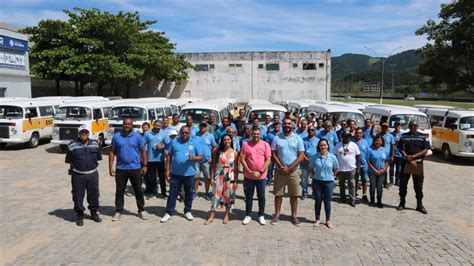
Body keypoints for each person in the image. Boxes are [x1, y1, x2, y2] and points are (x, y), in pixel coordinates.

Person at [161, 126, 204, 223]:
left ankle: (187, 211)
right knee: (172, 194)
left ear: (190, 133)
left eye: (186, 133)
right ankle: (169, 212)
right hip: (176, 173)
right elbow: (169, 156)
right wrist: (167, 170)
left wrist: (193, 158)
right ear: (180, 132)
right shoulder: (174, 142)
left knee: (189, 194)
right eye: (183, 132)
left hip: (189, 174)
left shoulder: (194, 143)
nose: (184, 134)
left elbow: (201, 156)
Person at [109, 117, 148, 221]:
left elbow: (143, 151)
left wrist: (145, 165)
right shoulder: (116, 137)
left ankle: (141, 210)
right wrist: (110, 166)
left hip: (135, 168)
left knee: (138, 190)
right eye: (125, 124)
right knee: (119, 191)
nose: (127, 126)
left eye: (129, 124)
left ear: (132, 125)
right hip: (121, 168)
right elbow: (112, 152)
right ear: (122, 124)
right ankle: (118, 210)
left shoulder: (138, 137)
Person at [270, 118, 305, 226]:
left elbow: (301, 156)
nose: (287, 125)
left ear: (292, 125)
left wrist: (289, 168)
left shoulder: (298, 138)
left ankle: (294, 215)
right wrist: (281, 166)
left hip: (294, 171)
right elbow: (273, 154)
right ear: (282, 125)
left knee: (294, 195)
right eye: (285, 123)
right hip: (280, 171)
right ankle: (277, 214)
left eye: (289, 123)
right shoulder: (277, 138)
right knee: (278, 194)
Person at [65, 125, 102, 226]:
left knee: (94, 194)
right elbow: (68, 159)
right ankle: (80, 214)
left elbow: (98, 157)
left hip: (93, 174)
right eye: (82, 132)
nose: (84, 134)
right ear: (79, 134)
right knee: (78, 195)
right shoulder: (72, 145)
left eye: (86, 132)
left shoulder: (95, 144)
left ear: (88, 134)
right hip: (78, 175)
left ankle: (94, 212)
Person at [397, 120, 430, 214]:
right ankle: (402, 202)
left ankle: (419, 204)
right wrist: (408, 158)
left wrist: (413, 157)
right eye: (411, 125)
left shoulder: (423, 136)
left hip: (417, 164)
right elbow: (400, 148)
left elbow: (426, 150)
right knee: (403, 185)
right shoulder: (404, 136)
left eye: (415, 125)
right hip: (406, 163)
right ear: (409, 126)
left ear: (418, 126)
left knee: (418, 186)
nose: (413, 127)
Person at [204, 135, 239, 225]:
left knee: (228, 196)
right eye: (224, 140)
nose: (226, 141)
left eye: (228, 139)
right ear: (222, 141)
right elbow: (213, 165)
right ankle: (212, 216)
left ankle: (226, 214)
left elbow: (236, 168)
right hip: (219, 174)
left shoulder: (235, 153)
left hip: (229, 176)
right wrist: (211, 177)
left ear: (231, 140)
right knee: (215, 195)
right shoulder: (218, 151)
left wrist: (235, 180)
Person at [240, 128, 272, 225]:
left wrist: (260, 171)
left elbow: (268, 160)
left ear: (260, 134)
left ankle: (261, 215)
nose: (256, 136)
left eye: (258, 134)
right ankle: (248, 215)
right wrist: (249, 171)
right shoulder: (246, 145)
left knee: (261, 196)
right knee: (248, 196)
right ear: (251, 134)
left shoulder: (265, 145)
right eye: (254, 134)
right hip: (248, 176)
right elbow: (242, 159)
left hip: (261, 176)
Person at [309, 139, 339, 229]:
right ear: (319, 147)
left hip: (329, 182)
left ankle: (328, 220)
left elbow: (336, 169)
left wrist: (331, 176)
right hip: (317, 182)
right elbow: (311, 168)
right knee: (318, 201)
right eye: (321, 145)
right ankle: (317, 219)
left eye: (325, 145)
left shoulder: (332, 157)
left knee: (327, 201)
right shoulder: (315, 157)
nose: (323, 147)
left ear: (328, 146)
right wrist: (314, 175)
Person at [143, 120, 171, 199]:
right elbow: (142, 144)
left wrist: (163, 147)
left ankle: (163, 193)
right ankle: (153, 192)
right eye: (156, 125)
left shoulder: (163, 134)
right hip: (150, 159)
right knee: (152, 177)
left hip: (160, 159)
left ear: (161, 126)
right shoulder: (147, 133)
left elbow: (168, 143)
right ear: (153, 125)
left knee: (162, 177)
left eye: (159, 126)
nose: (157, 127)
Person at [335, 129, 360, 207]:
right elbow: (335, 157)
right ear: (342, 136)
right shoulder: (338, 145)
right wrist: (335, 168)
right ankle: (343, 198)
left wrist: (358, 168)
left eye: (348, 136)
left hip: (351, 168)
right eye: (345, 136)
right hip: (341, 169)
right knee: (341, 184)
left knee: (351, 184)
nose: (346, 137)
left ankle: (352, 200)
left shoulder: (354, 145)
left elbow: (358, 157)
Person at [193, 122, 218, 200]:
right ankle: (195, 192)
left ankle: (207, 193)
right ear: (199, 126)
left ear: (206, 127)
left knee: (206, 178)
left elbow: (215, 146)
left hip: (206, 161)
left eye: (204, 126)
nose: (202, 127)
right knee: (196, 177)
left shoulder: (210, 136)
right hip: (196, 160)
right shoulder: (195, 136)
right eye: (201, 125)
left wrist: (211, 156)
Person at [367, 136, 389, 208]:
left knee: (379, 187)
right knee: (372, 186)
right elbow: (368, 161)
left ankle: (379, 201)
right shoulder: (370, 149)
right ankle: (372, 201)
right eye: (376, 140)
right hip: (372, 172)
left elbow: (387, 161)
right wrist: (374, 170)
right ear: (374, 141)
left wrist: (384, 169)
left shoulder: (385, 150)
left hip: (382, 172)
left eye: (379, 141)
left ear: (382, 142)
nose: (378, 142)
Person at [373, 122, 395, 188]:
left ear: (387, 128)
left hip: (387, 155)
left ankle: (385, 182)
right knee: (378, 167)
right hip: (378, 154)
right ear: (381, 127)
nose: (384, 128)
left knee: (385, 169)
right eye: (383, 126)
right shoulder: (378, 134)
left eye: (386, 127)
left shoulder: (390, 136)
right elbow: (373, 139)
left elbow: (392, 146)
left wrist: (392, 156)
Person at [300, 124, 320, 200]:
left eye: (312, 130)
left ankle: (315, 193)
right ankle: (304, 192)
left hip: (315, 163)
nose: (311, 131)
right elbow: (301, 151)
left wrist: (313, 159)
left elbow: (319, 151)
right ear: (307, 131)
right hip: (305, 162)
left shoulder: (318, 140)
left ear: (314, 131)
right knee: (304, 179)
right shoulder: (303, 140)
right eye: (309, 130)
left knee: (315, 179)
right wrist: (306, 159)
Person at [354, 128, 370, 202]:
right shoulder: (352, 142)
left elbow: (367, 153)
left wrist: (368, 162)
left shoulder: (365, 142)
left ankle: (364, 195)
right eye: (357, 133)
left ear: (362, 134)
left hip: (364, 164)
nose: (358, 134)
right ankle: (354, 193)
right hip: (354, 165)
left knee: (364, 180)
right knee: (355, 180)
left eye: (360, 133)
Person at [390, 121, 403, 186]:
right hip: (392, 154)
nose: (397, 127)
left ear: (400, 126)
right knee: (391, 168)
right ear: (394, 126)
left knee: (399, 168)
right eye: (396, 125)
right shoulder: (391, 134)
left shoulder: (402, 135)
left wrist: (399, 141)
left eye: (398, 125)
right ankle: (391, 180)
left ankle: (397, 180)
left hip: (399, 154)